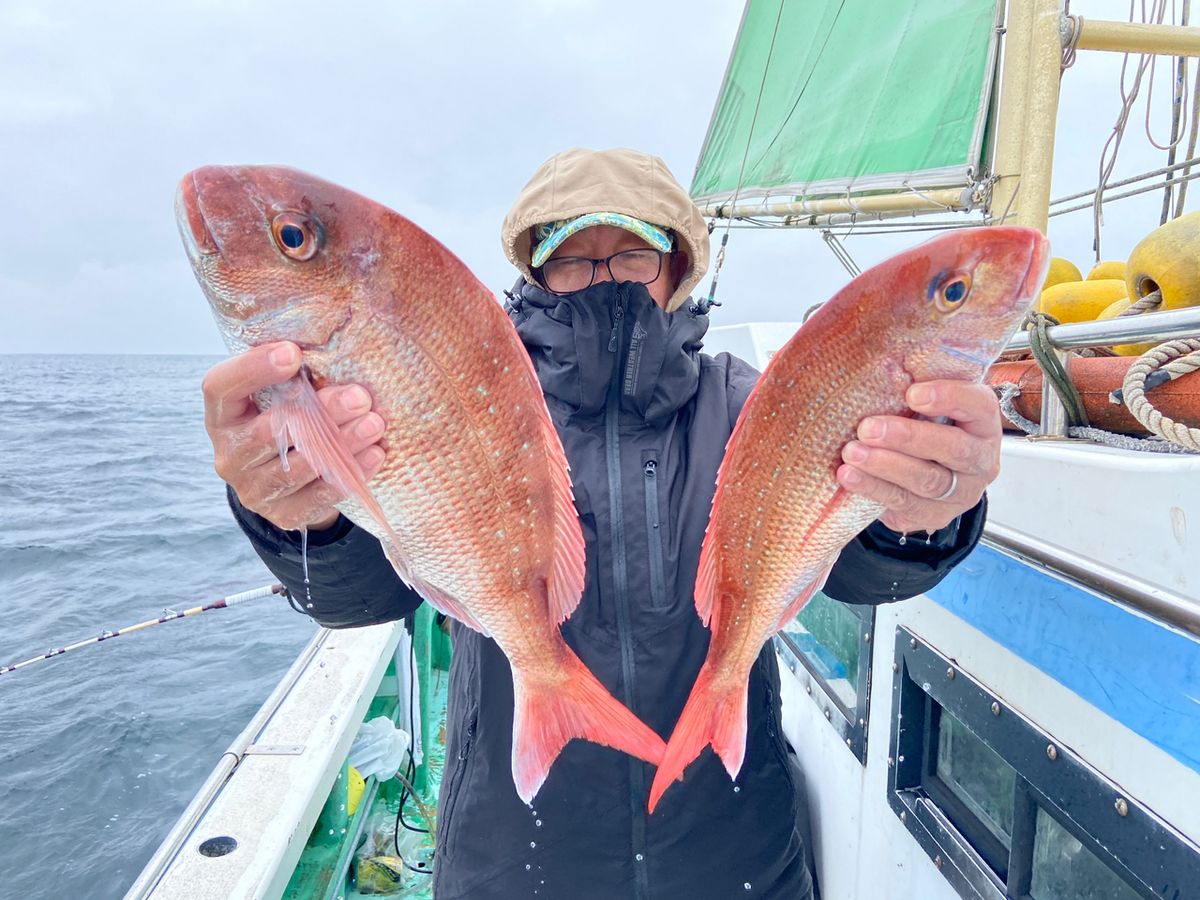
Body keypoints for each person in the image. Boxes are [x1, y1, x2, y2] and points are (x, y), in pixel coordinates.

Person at [201, 148, 1000, 900]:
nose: (603, 277)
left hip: (734, 853)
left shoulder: (757, 405)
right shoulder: (460, 398)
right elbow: (364, 597)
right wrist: (296, 515)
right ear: (537, 268)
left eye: (634, 253)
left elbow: (862, 573)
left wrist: (919, 516)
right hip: (513, 861)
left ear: (678, 267)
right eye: (575, 255)